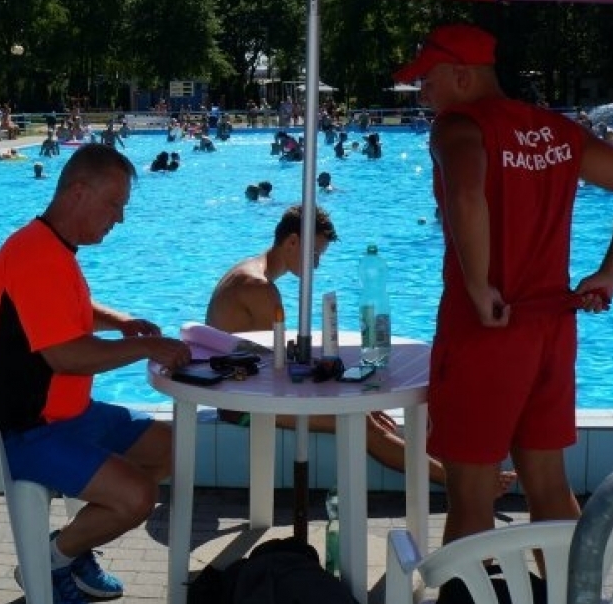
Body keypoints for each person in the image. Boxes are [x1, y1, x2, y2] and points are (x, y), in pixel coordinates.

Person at [397, 24, 613, 544]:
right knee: (549, 485)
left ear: (461, 76)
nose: (421, 91)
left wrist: (477, 286)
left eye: (426, 79)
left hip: (486, 330)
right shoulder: (555, 131)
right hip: (551, 332)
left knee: (471, 495)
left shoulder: (458, 126)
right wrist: (609, 275)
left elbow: (467, 197)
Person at [0, 143, 189, 604]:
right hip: (19, 432)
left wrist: (121, 322)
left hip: (70, 416)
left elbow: (64, 311)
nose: (119, 219)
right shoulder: (33, 254)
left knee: (172, 447)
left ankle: (77, 545)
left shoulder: (53, 248)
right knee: (136, 498)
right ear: (78, 192)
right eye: (115, 205)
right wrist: (147, 348)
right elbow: (67, 357)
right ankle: (47, 562)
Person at [204, 206, 477, 489]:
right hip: (241, 405)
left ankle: (454, 476)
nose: (316, 265)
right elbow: (281, 370)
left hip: (242, 390)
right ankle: (460, 485)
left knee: (365, 412)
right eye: (314, 255)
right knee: (362, 425)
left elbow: (271, 362)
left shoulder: (246, 271)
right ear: (292, 242)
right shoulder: (260, 289)